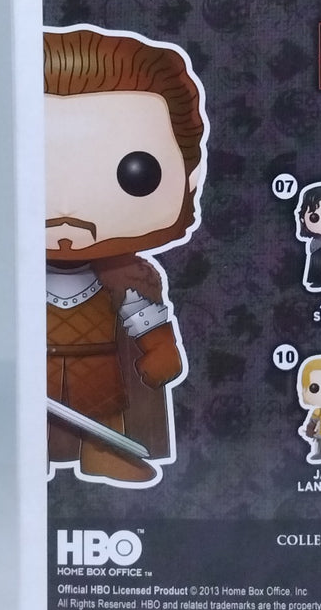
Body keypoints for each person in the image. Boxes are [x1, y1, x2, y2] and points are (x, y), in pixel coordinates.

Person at [44, 25, 206, 486]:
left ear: (189, 178)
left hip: (100, 366)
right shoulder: (1, 274)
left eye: (136, 173)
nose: (67, 213)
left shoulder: (127, 275)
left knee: (105, 407)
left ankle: (106, 452)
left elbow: (143, 316)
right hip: (33, 374)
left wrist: (160, 348)